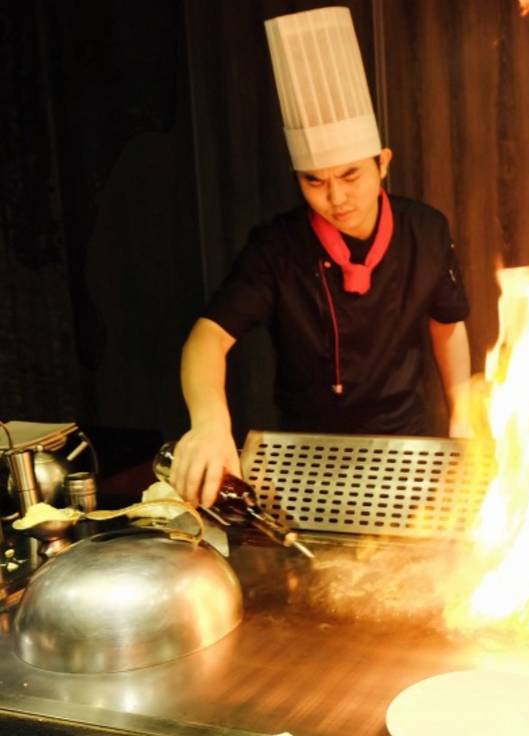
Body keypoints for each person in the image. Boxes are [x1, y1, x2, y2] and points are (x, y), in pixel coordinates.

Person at [171, 7, 471, 507]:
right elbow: (206, 338)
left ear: (383, 164)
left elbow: (448, 324)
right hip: (306, 452)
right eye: (315, 181)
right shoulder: (277, 248)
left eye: (351, 175)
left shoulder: (426, 230)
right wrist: (210, 423)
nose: (335, 198)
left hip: (405, 444)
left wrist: (462, 414)